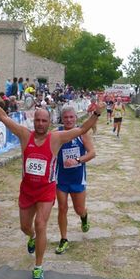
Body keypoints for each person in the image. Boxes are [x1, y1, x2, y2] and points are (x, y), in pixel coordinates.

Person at [0, 84, 103, 279]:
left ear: (49, 122)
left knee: (41, 225)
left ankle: (38, 267)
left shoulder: (56, 138)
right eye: (37, 120)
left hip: (46, 191)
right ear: (33, 120)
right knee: (25, 227)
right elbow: (4, 117)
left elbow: (82, 128)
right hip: (27, 191)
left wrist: (97, 114)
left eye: (44, 120)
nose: (40, 123)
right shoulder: (24, 135)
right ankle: (30, 237)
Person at [54, 106, 96, 255]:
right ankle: (64, 239)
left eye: (71, 117)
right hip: (61, 178)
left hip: (77, 178)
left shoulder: (82, 134)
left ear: (76, 118)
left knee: (79, 209)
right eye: (66, 117)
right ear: (62, 119)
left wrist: (78, 159)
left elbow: (92, 153)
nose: (69, 120)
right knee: (62, 208)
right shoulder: (57, 133)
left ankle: (84, 217)